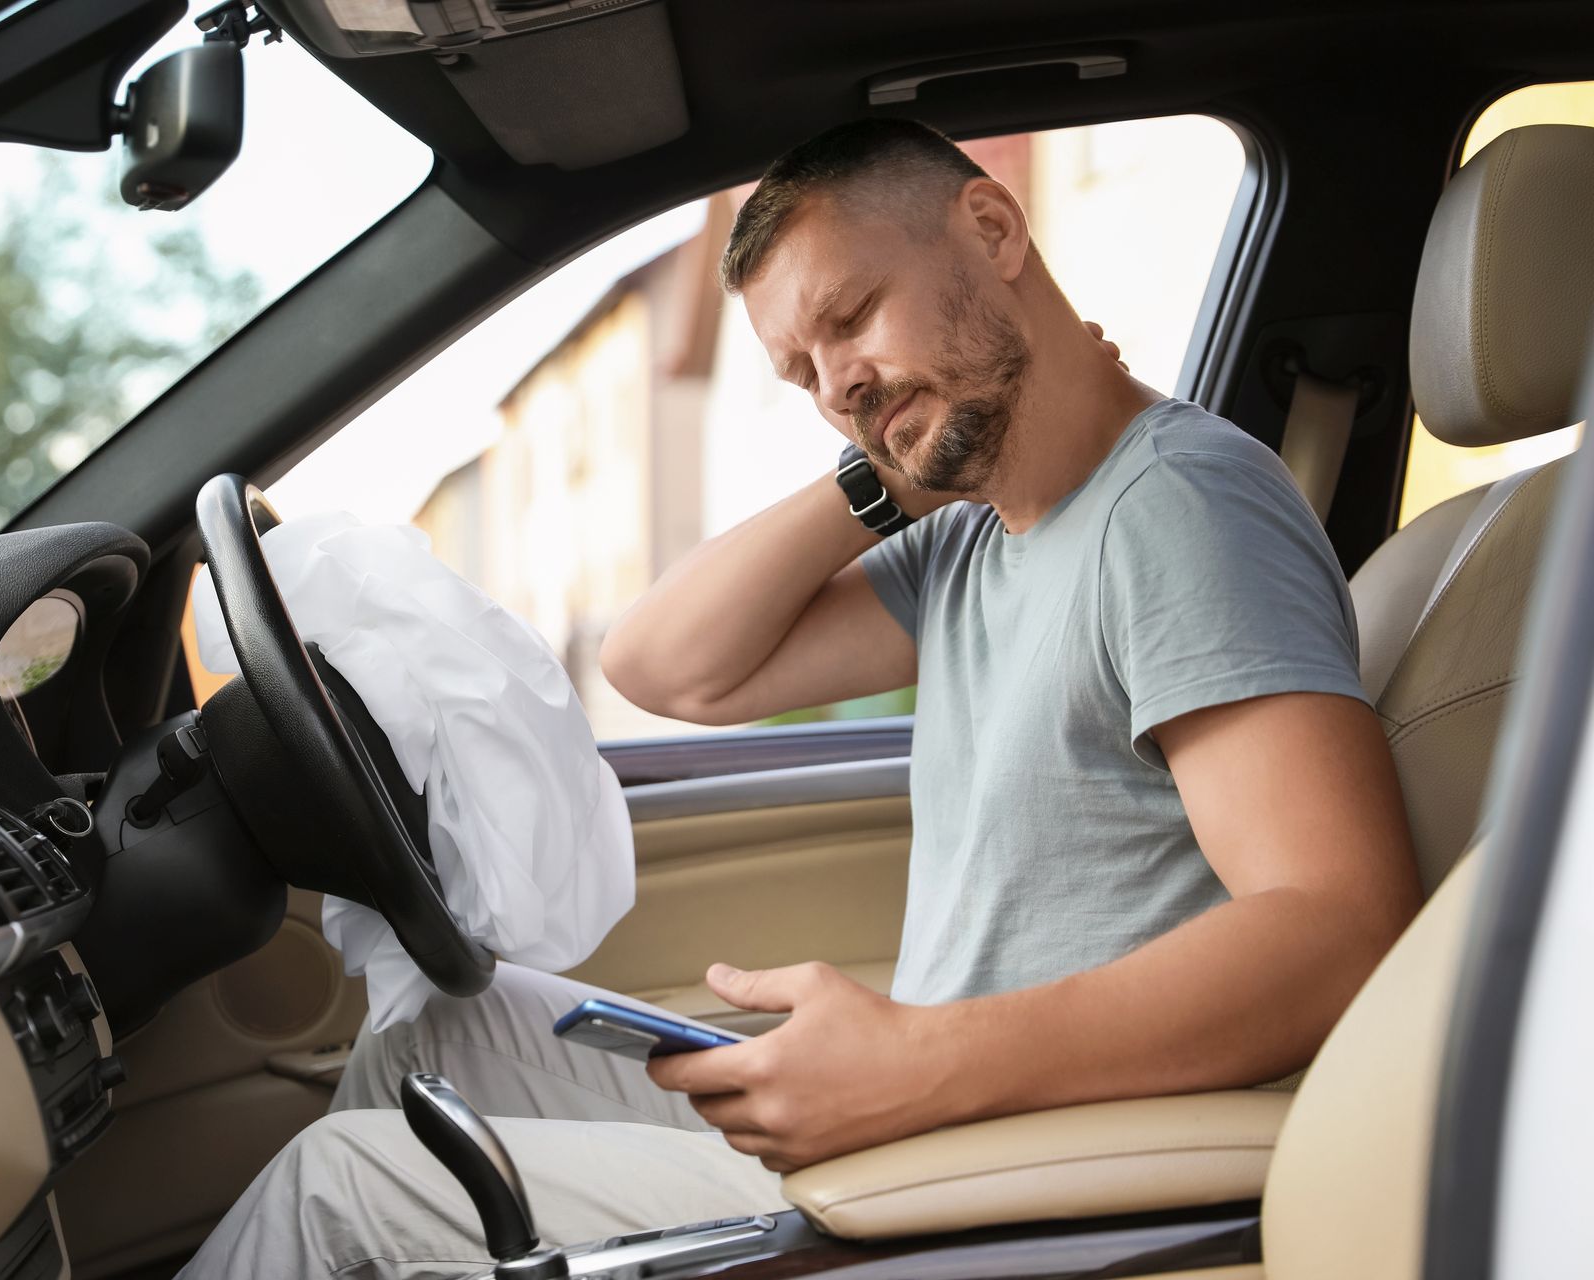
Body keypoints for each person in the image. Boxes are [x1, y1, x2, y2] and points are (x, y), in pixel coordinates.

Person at [181, 118, 1421, 1279]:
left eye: (853, 315)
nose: (837, 385)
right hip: (933, 1101)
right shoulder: (976, 542)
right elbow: (669, 665)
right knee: (439, 1033)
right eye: (801, 371)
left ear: (994, 232)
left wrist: (917, 1062)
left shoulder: (1182, 511)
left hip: (998, 1163)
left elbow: (1338, 922)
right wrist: (889, 471)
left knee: (332, 1184)